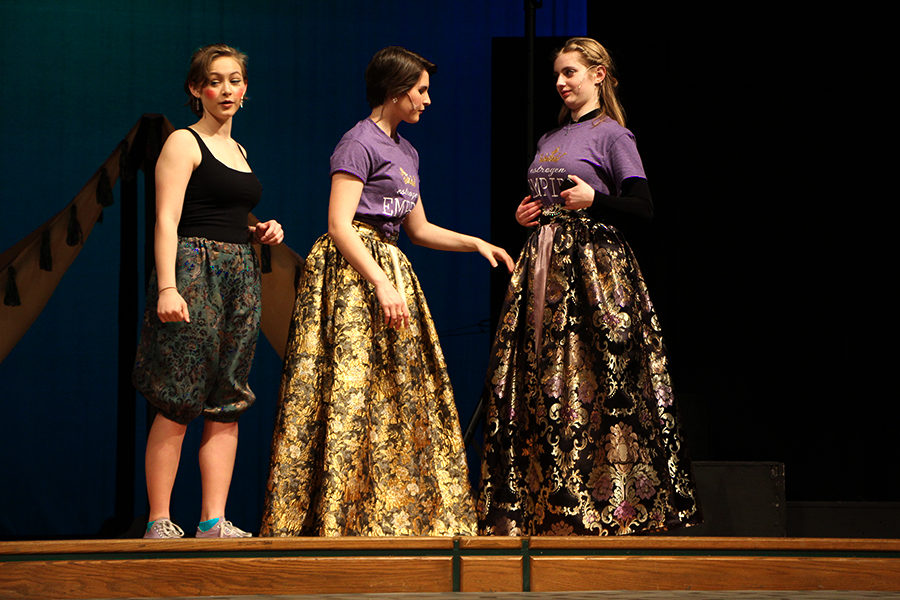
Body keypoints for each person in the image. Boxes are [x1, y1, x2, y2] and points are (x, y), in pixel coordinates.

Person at [261, 46, 514, 537]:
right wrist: (379, 283)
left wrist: (475, 242)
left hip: (390, 267)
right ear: (396, 92)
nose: (427, 100)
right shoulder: (358, 143)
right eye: (421, 91)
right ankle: (333, 517)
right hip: (353, 274)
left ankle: (387, 513)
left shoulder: (407, 151)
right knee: (349, 392)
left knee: (395, 394)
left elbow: (417, 229)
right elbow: (339, 224)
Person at [476, 37, 701, 536]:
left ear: (598, 75)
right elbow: (546, 198)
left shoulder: (614, 135)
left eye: (571, 72)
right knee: (539, 379)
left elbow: (643, 207)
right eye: (557, 74)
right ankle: (539, 504)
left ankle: (605, 505)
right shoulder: (549, 138)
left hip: (593, 268)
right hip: (544, 262)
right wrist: (525, 215)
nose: (561, 82)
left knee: (594, 380)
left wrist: (593, 198)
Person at [132, 43, 284, 539]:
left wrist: (260, 229)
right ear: (197, 90)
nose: (226, 89)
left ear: (245, 88)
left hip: (239, 272)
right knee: (178, 399)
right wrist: (168, 287)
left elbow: (229, 211)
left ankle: (213, 521)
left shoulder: (238, 150)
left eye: (234, 80)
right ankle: (159, 519)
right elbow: (166, 218)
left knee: (228, 398)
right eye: (215, 81)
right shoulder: (183, 143)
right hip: (192, 271)